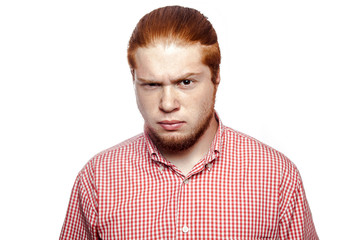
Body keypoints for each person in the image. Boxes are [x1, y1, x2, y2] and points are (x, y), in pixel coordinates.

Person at [60, 6, 318, 239]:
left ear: (216, 77)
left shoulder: (277, 177)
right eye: (151, 84)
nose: (168, 103)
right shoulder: (98, 178)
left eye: (185, 82)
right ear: (134, 80)